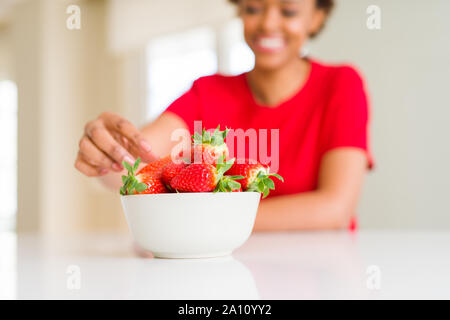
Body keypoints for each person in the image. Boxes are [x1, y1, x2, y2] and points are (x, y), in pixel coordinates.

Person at [75, 0, 373, 231]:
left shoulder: (341, 85)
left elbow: (336, 208)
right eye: (254, 8)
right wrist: (107, 152)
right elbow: (138, 162)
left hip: (326, 272)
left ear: (317, 17)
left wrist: (202, 220)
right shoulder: (208, 92)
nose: (268, 23)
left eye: (289, 11)